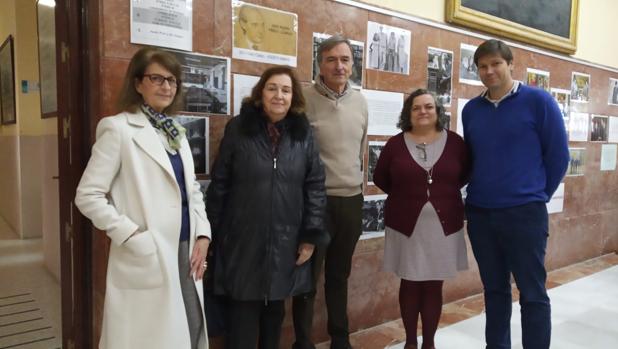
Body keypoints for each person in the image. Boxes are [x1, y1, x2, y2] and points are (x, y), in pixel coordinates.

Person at [74, 47, 211, 349]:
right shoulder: (118, 128)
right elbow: (88, 195)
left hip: (186, 248)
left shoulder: (176, 132)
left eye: (172, 80)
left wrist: (203, 234)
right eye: (157, 78)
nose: (166, 86)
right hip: (148, 250)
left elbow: (192, 190)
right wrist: (132, 235)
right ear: (138, 84)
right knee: (150, 338)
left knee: (190, 327)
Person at [206, 66, 328, 349]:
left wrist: (310, 237)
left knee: (274, 312)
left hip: (286, 240)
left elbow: (315, 186)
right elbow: (220, 182)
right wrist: (212, 233)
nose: (279, 96)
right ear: (261, 94)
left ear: (293, 97)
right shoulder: (238, 129)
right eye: (272, 88)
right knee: (242, 316)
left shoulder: (303, 133)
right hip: (242, 239)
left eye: (286, 90)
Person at [462, 39, 569, 349]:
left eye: (496, 63)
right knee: (494, 291)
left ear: (510, 65)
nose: (489, 71)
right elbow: (473, 158)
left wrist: (537, 195)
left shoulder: (539, 101)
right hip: (481, 214)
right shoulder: (472, 110)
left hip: (525, 214)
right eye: (483, 66)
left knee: (532, 293)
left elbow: (558, 157)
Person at [373, 89, 469, 349]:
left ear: (438, 112)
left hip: (443, 225)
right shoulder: (395, 143)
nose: (423, 112)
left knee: (433, 284)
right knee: (410, 280)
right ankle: (411, 343)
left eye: (429, 106)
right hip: (406, 225)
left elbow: (464, 174)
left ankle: (429, 343)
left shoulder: (456, 143)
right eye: (416, 108)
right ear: (408, 113)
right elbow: (380, 178)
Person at [292, 35, 368, 349]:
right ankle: (303, 343)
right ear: (320, 64)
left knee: (339, 276)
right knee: (307, 280)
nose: (339, 66)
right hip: (315, 203)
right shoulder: (303, 100)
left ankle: (341, 340)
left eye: (345, 59)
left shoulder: (360, 102)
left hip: (351, 201)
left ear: (352, 65)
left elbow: (360, 150)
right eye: (331, 59)